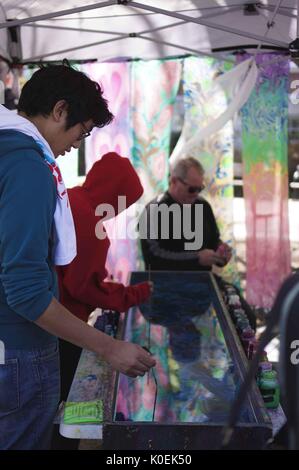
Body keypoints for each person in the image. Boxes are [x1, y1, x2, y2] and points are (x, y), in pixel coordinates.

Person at [0, 64, 155, 450]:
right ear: (59, 110)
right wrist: (110, 347)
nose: (77, 144)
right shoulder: (28, 169)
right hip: (21, 348)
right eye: (81, 131)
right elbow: (26, 291)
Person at [52, 151, 152, 449]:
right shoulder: (91, 223)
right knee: (65, 412)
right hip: (61, 326)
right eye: (124, 202)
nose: (121, 211)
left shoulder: (69, 197)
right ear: (116, 194)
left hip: (41, 317)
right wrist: (135, 293)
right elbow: (85, 287)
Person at [140, 156, 255, 329]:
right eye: (192, 189)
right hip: (165, 289)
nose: (196, 194)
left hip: (202, 286)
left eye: (199, 188)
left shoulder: (202, 206)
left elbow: (213, 240)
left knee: (247, 319)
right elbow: (153, 258)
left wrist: (221, 252)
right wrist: (196, 258)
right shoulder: (154, 211)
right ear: (173, 181)